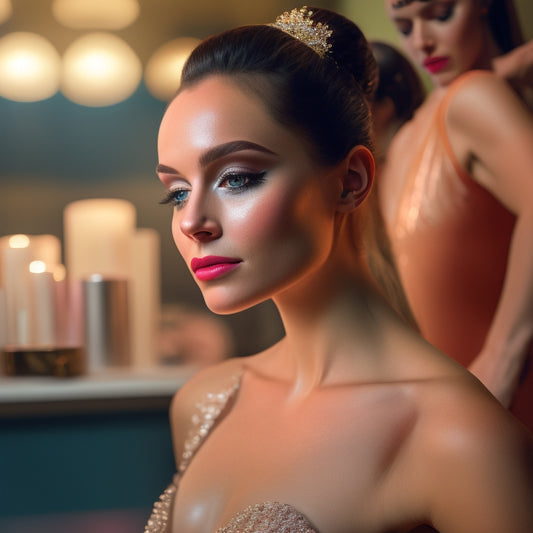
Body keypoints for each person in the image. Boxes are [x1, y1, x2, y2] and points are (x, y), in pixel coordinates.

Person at [145, 7, 533, 532]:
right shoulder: (203, 403)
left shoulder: (454, 435)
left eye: (236, 178)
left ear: (351, 180)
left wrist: (504, 355)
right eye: (178, 192)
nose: (193, 222)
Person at [379, 0, 533, 431]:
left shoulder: (474, 97)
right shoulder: (414, 129)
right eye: (404, 27)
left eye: (440, 14)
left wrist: (503, 353)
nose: (422, 41)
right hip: (447, 422)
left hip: (502, 411)